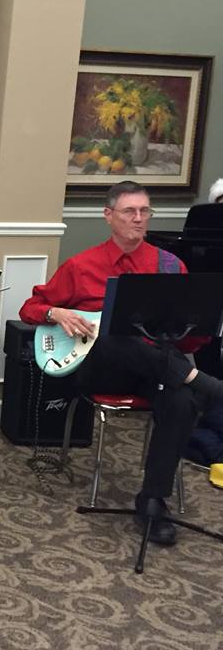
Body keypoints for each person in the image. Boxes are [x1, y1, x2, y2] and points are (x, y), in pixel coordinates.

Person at [20, 180, 223, 546]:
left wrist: (196, 325)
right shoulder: (81, 265)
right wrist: (56, 312)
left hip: (155, 370)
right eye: (130, 211)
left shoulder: (170, 266)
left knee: (180, 399)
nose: (139, 218)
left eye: (145, 211)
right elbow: (30, 308)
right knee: (114, 335)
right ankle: (201, 382)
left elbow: (187, 340)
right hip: (101, 369)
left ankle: (152, 500)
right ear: (108, 215)